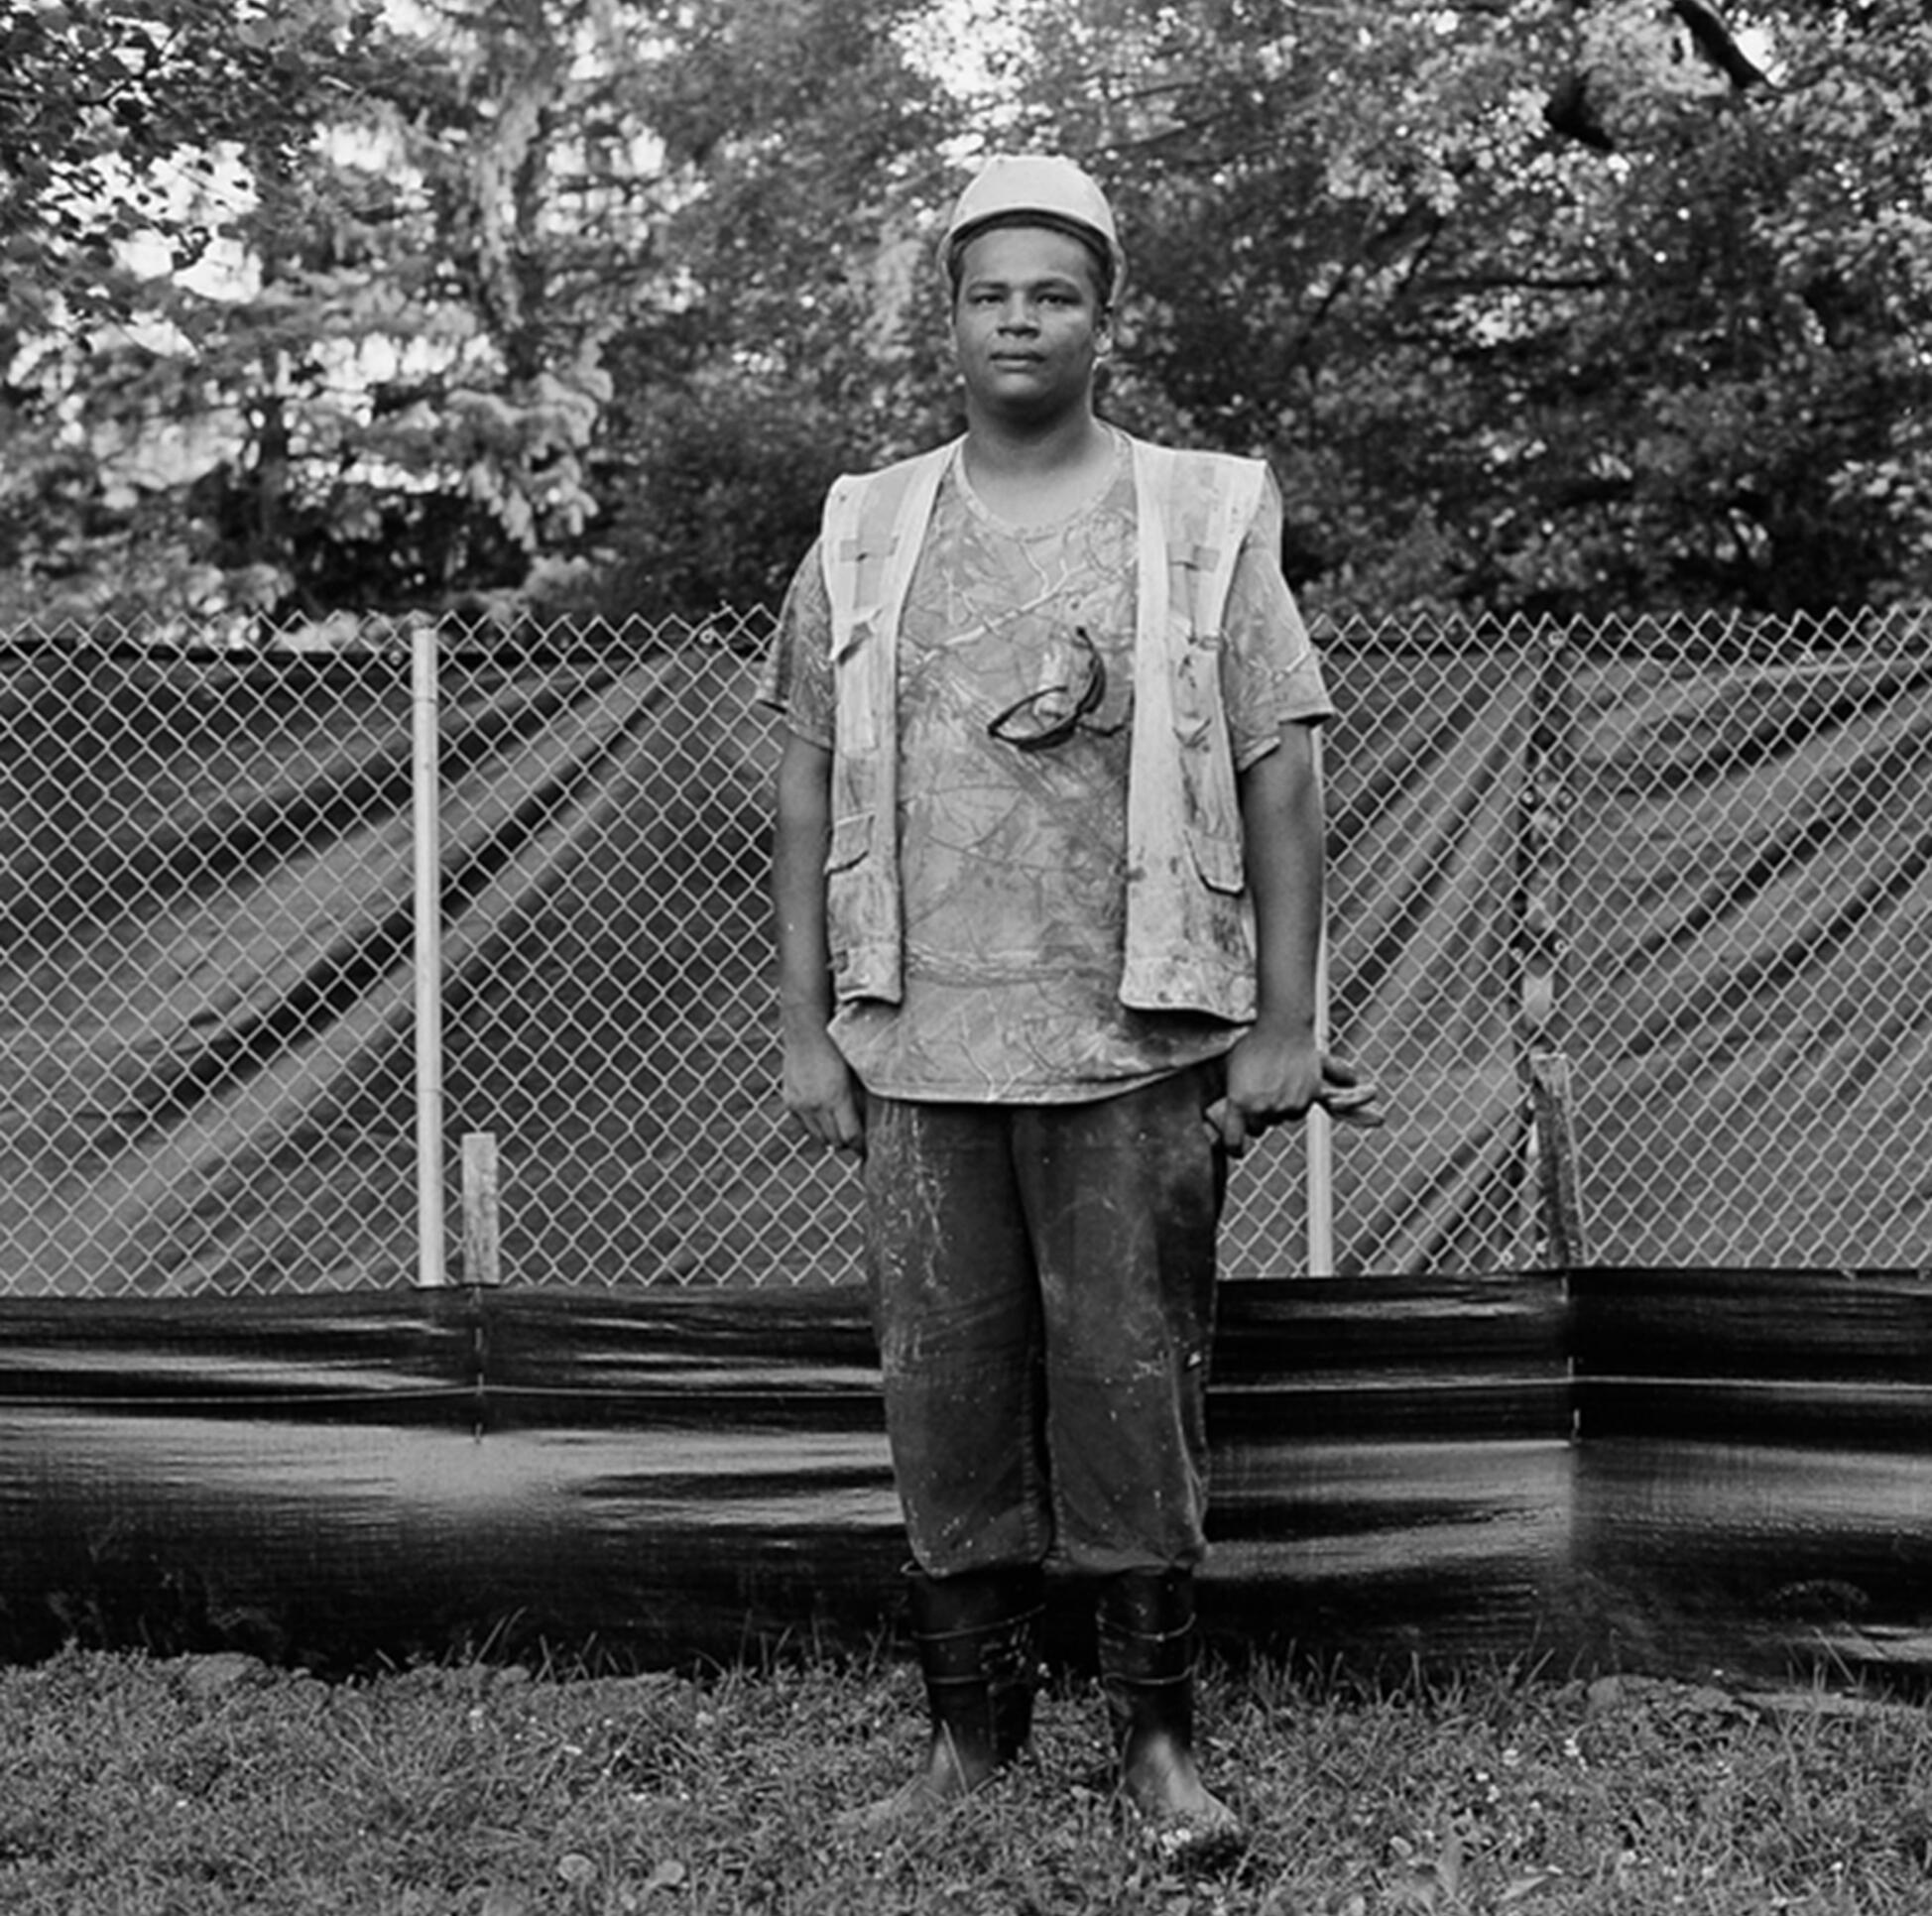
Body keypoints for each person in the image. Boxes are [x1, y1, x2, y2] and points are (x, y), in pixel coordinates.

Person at [761, 153, 1379, 1858]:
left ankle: (1158, 1755)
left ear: (1108, 314)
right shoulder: (867, 523)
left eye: (1054, 290)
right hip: (922, 1039)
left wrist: (1282, 1018)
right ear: (946, 316)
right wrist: (809, 1024)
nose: (1018, 317)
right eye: (987, 290)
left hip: (1137, 1038)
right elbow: (808, 782)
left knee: (1130, 1382)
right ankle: (970, 1749)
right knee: (944, 1385)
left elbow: (1282, 768)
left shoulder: (1199, 512)